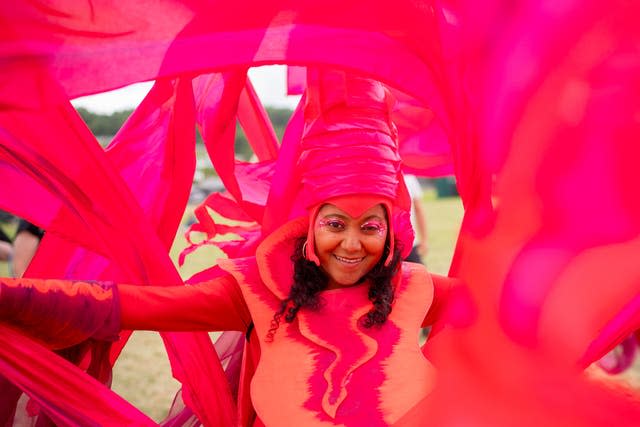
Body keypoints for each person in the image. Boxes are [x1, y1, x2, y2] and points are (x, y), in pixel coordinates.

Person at [0, 71, 457, 427]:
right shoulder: (260, 291)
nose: (352, 244)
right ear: (311, 224)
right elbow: (130, 306)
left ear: (391, 231)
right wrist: (13, 297)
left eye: (370, 227)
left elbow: (509, 310)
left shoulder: (417, 289)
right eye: (336, 224)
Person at [402, 174, 428, 264]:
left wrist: (424, 240)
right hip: (408, 242)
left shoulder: (409, 177)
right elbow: (418, 209)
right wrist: (424, 240)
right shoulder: (409, 177)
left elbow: (418, 210)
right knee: (419, 276)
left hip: (406, 243)